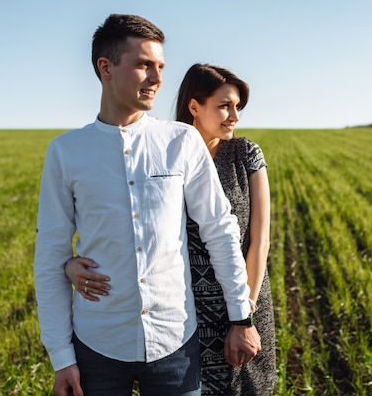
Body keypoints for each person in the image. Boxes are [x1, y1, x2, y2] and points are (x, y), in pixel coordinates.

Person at [34, 14, 261, 396]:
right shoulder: (66, 152)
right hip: (96, 347)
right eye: (143, 65)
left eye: (160, 66)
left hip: (176, 345)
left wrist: (241, 317)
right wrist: (61, 356)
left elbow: (221, 230)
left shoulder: (181, 141)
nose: (157, 78)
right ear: (105, 67)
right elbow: (50, 254)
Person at [66, 64, 277, 395]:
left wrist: (245, 311)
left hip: (240, 294)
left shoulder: (245, 153)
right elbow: (130, 225)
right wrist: (70, 263)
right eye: (225, 105)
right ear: (195, 107)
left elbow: (259, 240)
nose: (234, 115)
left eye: (238, 106)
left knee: (242, 387)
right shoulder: (169, 149)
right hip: (182, 308)